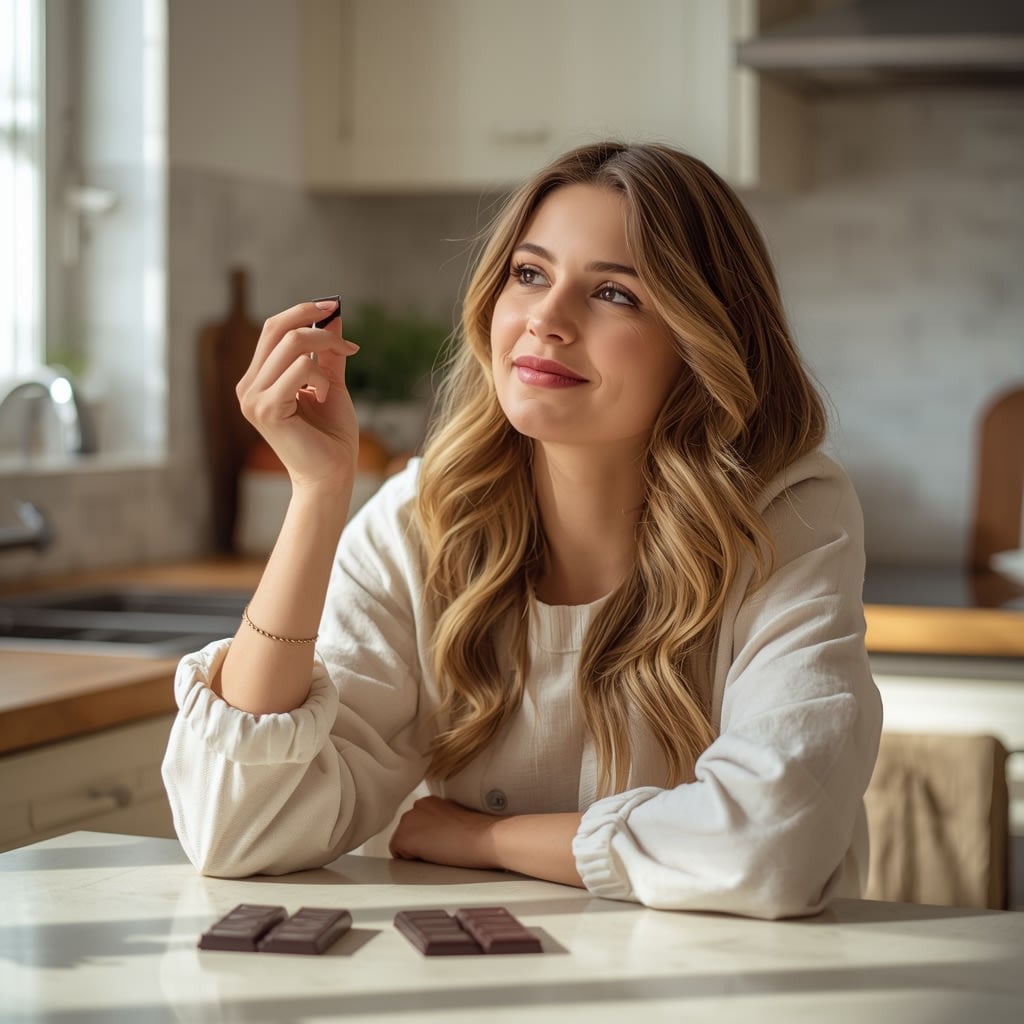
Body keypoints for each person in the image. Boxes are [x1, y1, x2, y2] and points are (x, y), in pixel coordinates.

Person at [162, 141, 882, 920]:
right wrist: (317, 493)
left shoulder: (786, 517)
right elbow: (235, 833)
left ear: (702, 341)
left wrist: (489, 841)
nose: (546, 319)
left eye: (614, 293)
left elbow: (774, 845)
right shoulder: (420, 520)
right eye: (529, 274)